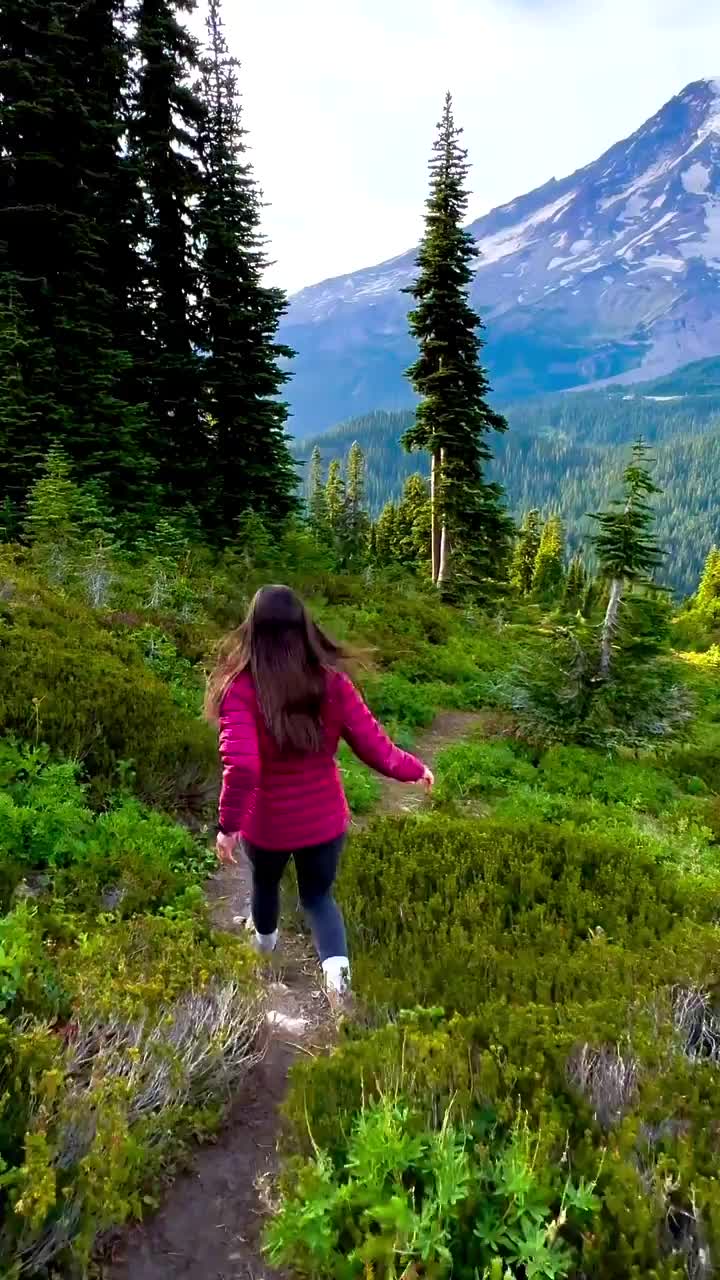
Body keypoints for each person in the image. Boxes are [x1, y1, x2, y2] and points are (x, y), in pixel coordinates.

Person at [205, 584, 433, 1006]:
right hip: (324, 821)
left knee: (266, 884)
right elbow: (373, 745)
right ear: (304, 627)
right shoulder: (331, 683)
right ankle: (338, 989)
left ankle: (261, 956)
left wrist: (228, 826)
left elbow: (243, 766)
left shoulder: (240, 688)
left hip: (267, 825)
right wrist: (412, 768)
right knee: (318, 898)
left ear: (253, 629)